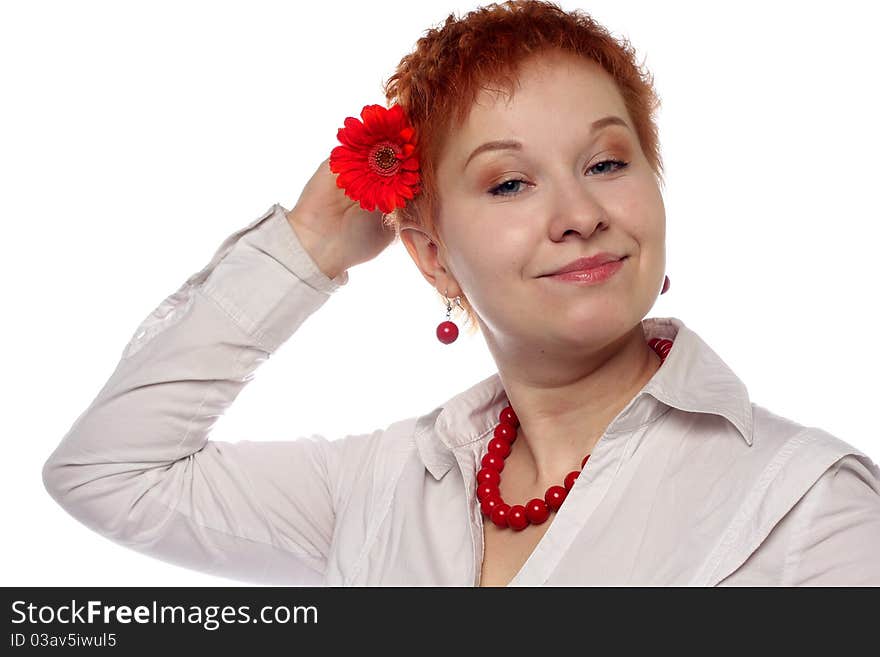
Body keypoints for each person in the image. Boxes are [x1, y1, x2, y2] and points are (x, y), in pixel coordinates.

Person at [42, 0, 880, 586]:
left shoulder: (806, 503)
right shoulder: (379, 487)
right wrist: (309, 246)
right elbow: (110, 472)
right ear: (433, 259)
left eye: (607, 163)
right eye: (510, 182)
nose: (581, 214)